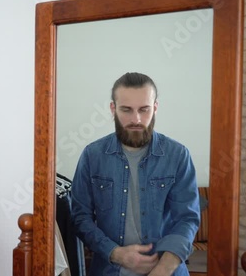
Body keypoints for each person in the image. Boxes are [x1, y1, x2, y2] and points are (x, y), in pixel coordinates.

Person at [71, 72, 200, 276]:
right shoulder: (92, 155)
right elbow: (80, 218)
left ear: (155, 107)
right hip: (108, 270)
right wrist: (115, 253)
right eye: (126, 110)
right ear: (113, 109)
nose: (136, 119)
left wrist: (162, 269)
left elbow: (187, 218)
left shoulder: (178, 155)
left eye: (144, 109)